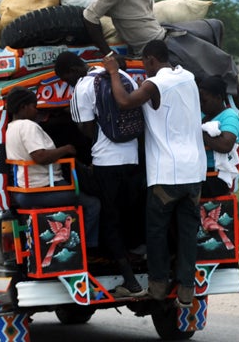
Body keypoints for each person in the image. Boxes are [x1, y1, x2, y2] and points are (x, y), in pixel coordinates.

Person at [82, 0, 239, 143]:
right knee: (225, 63)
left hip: (167, 32)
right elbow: (89, 16)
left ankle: (212, 69)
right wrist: (107, 52)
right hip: (159, 45)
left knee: (215, 26)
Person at [103, 40, 206, 307]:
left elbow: (125, 102)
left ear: (150, 60)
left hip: (167, 174)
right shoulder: (188, 78)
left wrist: (114, 72)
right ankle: (186, 289)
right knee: (187, 233)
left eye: (145, 64)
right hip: (194, 172)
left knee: (157, 233)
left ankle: (158, 286)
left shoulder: (156, 84)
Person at [54, 51, 146, 298]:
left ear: (73, 71)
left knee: (110, 218)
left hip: (107, 161)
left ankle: (130, 282)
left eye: (66, 79)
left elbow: (84, 127)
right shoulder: (123, 75)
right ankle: (142, 256)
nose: (68, 83)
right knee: (133, 209)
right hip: (134, 159)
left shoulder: (83, 87)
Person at [4, 86, 101, 251]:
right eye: (34, 107)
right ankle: (86, 249)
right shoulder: (28, 126)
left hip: (24, 191)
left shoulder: (11, 128)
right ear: (23, 107)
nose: (36, 111)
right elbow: (40, 156)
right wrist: (66, 149)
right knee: (93, 204)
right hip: (43, 189)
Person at [199, 75, 239, 197]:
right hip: (201, 173)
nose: (201, 104)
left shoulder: (229, 117)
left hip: (216, 177)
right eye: (199, 101)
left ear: (218, 98)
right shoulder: (202, 116)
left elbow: (225, 145)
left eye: (205, 101)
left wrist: (200, 133)